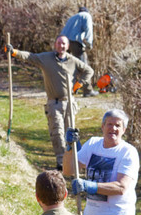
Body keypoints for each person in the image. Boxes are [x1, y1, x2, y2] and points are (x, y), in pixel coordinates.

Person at [9, 36, 94, 170]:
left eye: (64, 44)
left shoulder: (73, 61)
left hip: (69, 102)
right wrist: (14, 52)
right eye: (59, 43)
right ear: (55, 45)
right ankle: (61, 162)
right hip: (53, 103)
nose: (61, 46)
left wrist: (79, 84)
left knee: (70, 133)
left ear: (67, 46)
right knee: (57, 133)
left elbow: (89, 71)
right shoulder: (46, 59)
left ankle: (74, 161)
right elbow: (30, 56)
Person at [60, 7, 97, 95]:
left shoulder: (73, 17)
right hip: (75, 42)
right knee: (83, 66)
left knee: (65, 65)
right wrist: (89, 43)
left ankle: (63, 89)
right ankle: (87, 90)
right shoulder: (86, 15)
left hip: (63, 42)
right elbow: (88, 29)